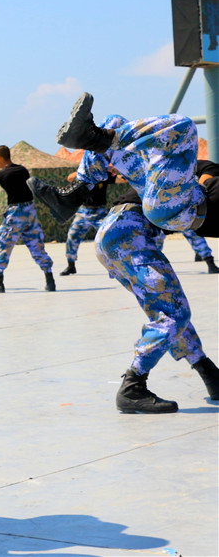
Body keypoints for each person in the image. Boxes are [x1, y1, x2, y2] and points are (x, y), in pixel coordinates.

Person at [28, 95, 219, 412]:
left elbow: (200, 175)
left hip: (132, 230)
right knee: (172, 314)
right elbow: (201, 173)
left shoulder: (176, 170)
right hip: (140, 225)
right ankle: (133, 386)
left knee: (170, 312)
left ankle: (209, 374)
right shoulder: (176, 167)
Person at [0, 146, 56, 293]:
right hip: (30, 211)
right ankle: (50, 280)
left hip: (16, 213)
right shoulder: (23, 170)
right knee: (36, 245)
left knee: (2, 245)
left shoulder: (1, 174)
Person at [59, 170, 119, 275]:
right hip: (83, 212)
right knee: (72, 237)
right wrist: (84, 169)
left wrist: (118, 170)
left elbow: (120, 179)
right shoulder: (83, 172)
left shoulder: (103, 173)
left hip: (99, 212)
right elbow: (70, 178)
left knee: (109, 236)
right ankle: (71, 266)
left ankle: (117, 265)